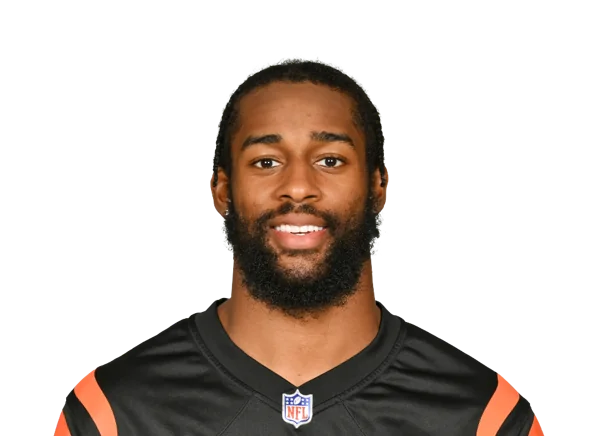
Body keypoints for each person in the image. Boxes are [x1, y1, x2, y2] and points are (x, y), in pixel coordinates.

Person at [54, 57, 544, 435]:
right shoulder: (113, 413)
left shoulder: (483, 417)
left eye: (330, 160)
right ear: (221, 189)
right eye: (266, 162)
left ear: (379, 185)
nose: (298, 187)